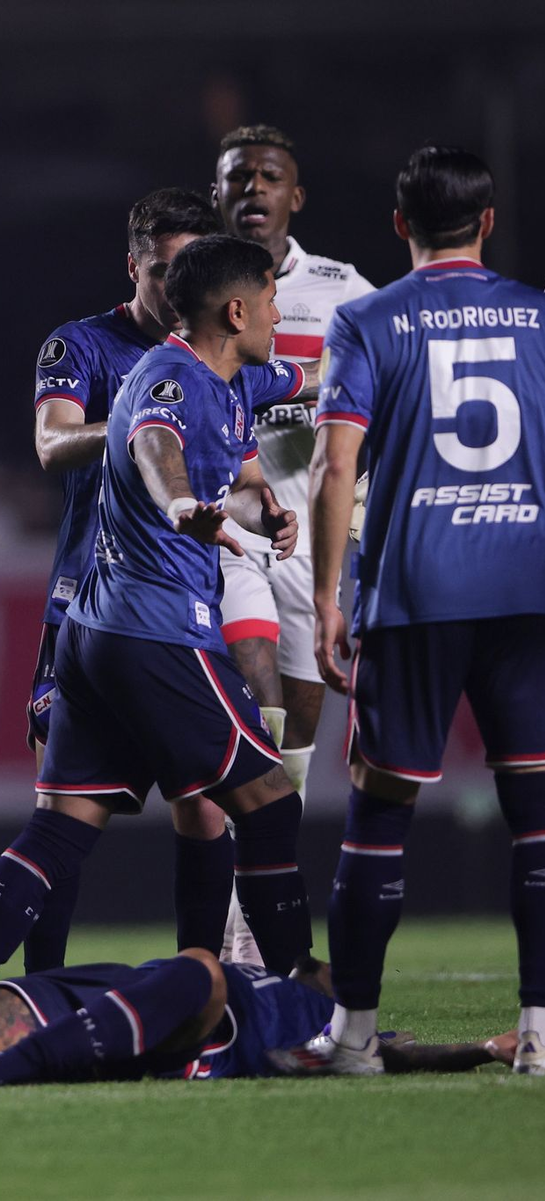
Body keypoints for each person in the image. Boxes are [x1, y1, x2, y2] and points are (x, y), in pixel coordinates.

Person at [0, 235, 319, 1009]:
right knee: (270, 799)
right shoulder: (171, 377)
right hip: (159, 628)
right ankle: (290, 1001)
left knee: (60, 827)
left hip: (96, 633)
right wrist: (179, 501)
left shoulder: (235, 372)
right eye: (274, 302)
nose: (282, 316)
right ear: (236, 309)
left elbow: (301, 382)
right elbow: (153, 444)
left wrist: (265, 506)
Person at [306, 146, 545, 1076]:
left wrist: (327, 596)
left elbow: (337, 467)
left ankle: (356, 1037)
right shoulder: (536, 316)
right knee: (535, 819)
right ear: (486, 222)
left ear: (399, 224)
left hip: (415, 590)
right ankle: (537, 1033)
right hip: (525, 588)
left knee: (380, 813)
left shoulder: (366, 320)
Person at [12, 190, 229, 990]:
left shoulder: (216, 352)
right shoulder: (82, 346)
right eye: (164, 270)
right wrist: (149, 414)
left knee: (205, 805)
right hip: (87, 603)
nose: (178, 287)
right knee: (59, 815)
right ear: (132, 266)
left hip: (184, 604)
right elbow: (50, 445)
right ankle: (40, 991)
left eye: (191, 269)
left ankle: (202, 986)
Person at [212, 125, 376, 964]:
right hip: (230, 529)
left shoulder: (344, 290)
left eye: (269, 176)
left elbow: (386, 382)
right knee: (255, 707)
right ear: (218, 195)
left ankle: (251, 918)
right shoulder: (195, 286)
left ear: (294, 196)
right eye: (238, 176)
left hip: (317, 535)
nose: (254, 188)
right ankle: (233, 922)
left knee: (297, 734)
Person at [0, 952, 517, 1092]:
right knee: (0, 1004)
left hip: (203, 1027)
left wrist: (481, 1047)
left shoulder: (339, 1022)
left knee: (197, 971)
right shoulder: (291, 971)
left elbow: (396, 1054)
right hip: (127, 991)